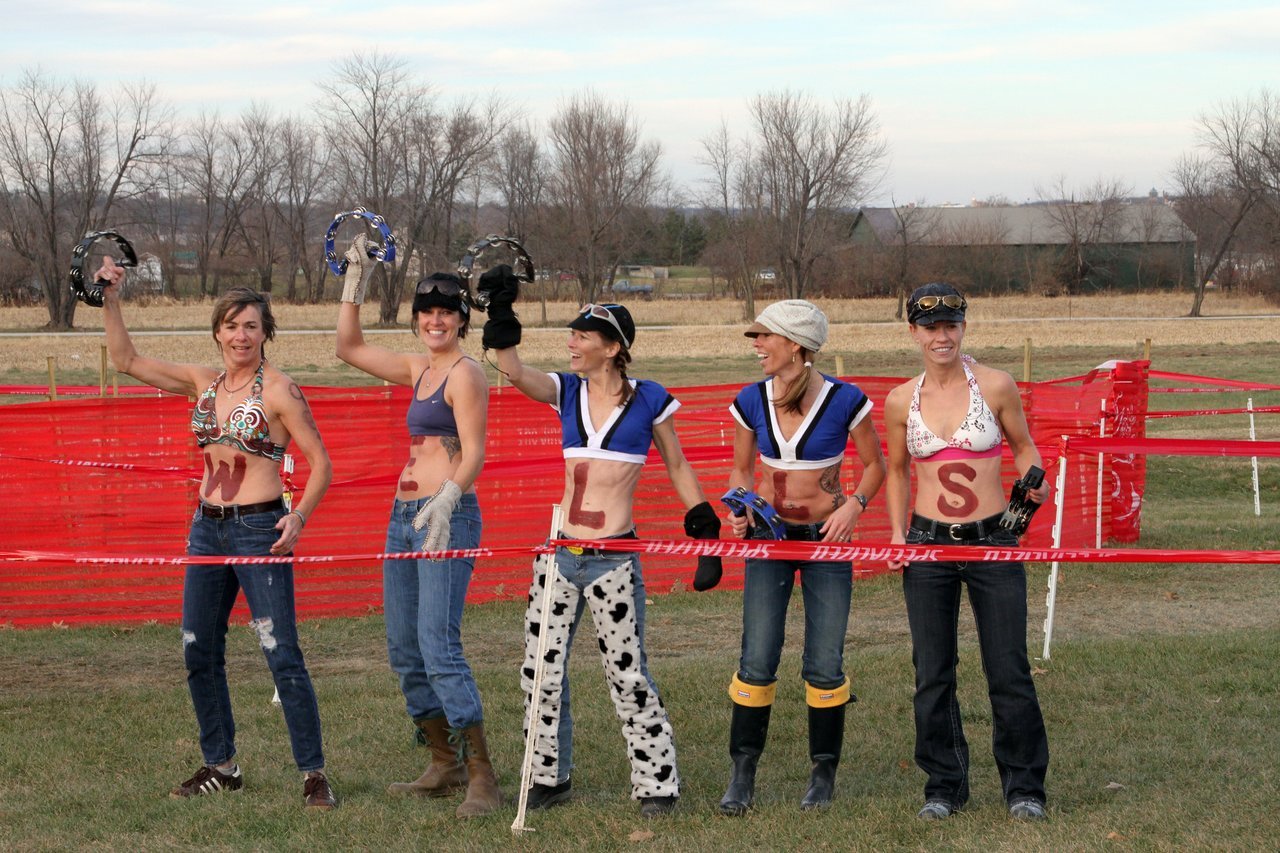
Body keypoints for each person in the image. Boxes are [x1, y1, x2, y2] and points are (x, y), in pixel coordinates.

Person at [482, 267, 721, 819]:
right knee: (539, 669)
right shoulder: (564, 391)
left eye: (582, 336)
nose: (571, 343)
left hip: (614, 557)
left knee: (627, 671)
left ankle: (656, 782)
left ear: (613, 347)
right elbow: (512, 369)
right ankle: (546, 777)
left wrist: (703, 525)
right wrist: (501, 312)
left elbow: (678, 463)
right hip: (559, 553)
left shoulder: (649, 399)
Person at [98, 259, 336, 810]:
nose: (240, 335)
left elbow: (321, 463)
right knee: (198, 649)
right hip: (206, 530)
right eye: (231, 325)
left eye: (251, 325)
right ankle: (222, 765)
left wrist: (297, 517)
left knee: (282, 653)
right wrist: (111, 297)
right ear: (217, 332)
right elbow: (126, 360)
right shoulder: (202, 382)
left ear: (265, 333)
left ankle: (314, 774)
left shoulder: (279, 390)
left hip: (260, 529)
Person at [334, 236, 499, 818]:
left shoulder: (465, 374)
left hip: (445, 517)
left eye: (447, 313)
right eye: (428, 313)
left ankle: (481, 772)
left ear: (461, 321)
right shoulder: (417, 369)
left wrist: (450, 497)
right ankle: (443, 760)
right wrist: (355, 279)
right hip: (402, 519)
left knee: (438, 645)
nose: (437, 320)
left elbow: (475, 451)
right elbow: (347, 346)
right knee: (405, 648)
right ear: (416, 320)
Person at [883, 282, 1051, 821]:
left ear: (964, 327)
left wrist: (1033, 482)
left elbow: (1024, 446)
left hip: (993, 541)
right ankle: (944, 785)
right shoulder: (899, 400)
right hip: (928, 544)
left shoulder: (997, 385)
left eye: (950, 324)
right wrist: (896, 536)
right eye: (930, 327)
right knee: (933, 670)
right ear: (913, 332)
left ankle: (1024, 787)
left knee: (1008, 668)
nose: (941, 335)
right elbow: (896, 471)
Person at [717, 299, 886, 815]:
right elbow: (741, 471)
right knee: (757, 656)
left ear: (795, 344)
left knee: (825, 660)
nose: (757, 346)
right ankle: (742, 772)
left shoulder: (845, 399)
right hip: (769, 538)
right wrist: (739, 510)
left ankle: (822, 772)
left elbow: (876, 465)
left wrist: (854, 506)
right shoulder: (750, 399)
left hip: (826, 541)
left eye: (764, 337)